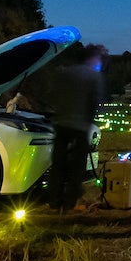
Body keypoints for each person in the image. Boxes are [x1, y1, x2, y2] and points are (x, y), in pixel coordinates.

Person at [21, 44, 106, 211]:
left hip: (61, 123)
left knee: (58, 163)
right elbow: (96, 101)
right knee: (77, 165)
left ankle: (54, 199)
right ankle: (70, 201)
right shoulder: (93, 76)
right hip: (80, 126)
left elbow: (52, 95)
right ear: (92, 58)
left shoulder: (64, 73)